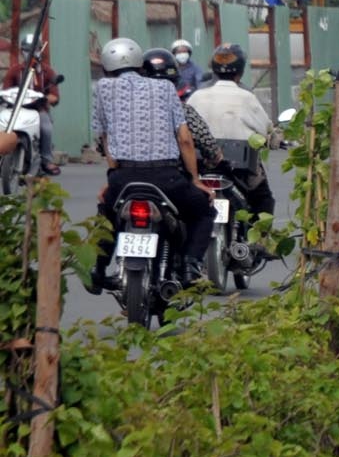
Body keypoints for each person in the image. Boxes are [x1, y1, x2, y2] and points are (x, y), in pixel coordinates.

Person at [85, 36, 213, 291]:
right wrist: (196, 180)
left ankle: (98, 270)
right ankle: (190, 266)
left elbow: (105, 137)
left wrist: (113, 175)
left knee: (108, 214)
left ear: (107, 68)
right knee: (205, 210)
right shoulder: (165, 89)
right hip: (167, 177)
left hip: (124, 178)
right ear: (139, 63)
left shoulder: (102, 89)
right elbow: (185, 139)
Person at [186, 42, 276, 221]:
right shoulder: (247, 97)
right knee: (263, 201)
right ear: (241, 71)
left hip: (200, 165)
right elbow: (266, 130)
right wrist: (274, 139)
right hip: (239, 168)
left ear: (214, 69)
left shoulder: (196, 96)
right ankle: (254, 244)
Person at [3, 30, 61, 175]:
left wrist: (46, 98)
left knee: (46, 128)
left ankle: (46, 160)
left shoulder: (47, 71)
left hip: (38, 110)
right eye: (26, 49)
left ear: (39, 50)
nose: (29, 53)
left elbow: (54, 95)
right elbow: (5, 90)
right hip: (15, 109)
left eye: (33, 49)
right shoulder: (15, 70)